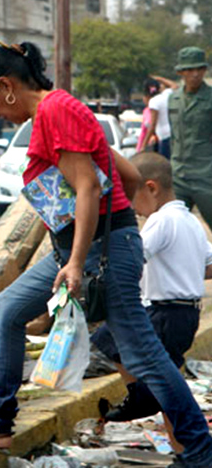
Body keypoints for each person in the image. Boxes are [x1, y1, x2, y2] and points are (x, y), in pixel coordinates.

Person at [0, 41, 212, 468]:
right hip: (86, 244)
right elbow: (130, 175)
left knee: (143, 356)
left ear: (8, 86)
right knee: (9, 308)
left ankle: (199, 450)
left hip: (102, 250)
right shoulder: (62, 109)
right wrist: (78, 244)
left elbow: (86, 186)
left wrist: (78, 261)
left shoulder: (54, 112)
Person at [91, 152, 212, 447]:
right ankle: (183, 449)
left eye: (131, 196)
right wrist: (185, 271)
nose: (132, 208)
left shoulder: (161, 220)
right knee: (169, 385)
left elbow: (132, 257)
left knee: (108, 338)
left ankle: (140, 398)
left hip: (163, 312)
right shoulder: (191, 223)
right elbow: (209, 265)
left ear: (151, 188)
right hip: (186, 313)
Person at [168, 47, 212, 230]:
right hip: (179, 174)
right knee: (175, 228)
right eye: (189, 70)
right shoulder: (173, 99)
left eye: (199, 69)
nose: (195, 74)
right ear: (181, 72)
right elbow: (173, 137)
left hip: (206, 174)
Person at [142, 76, 177, 159]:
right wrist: (159, 78)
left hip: (165, 138)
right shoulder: (167, 94)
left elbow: (153, 125)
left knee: (165, 165)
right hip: (174, 134)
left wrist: (144, 145)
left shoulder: (153, 101)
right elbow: (175, 85)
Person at [136, 79, 160, 153]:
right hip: (149, 147)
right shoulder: (146, 111)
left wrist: (143, 145)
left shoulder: (161, 108)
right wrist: (139, 149)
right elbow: (143, 132)